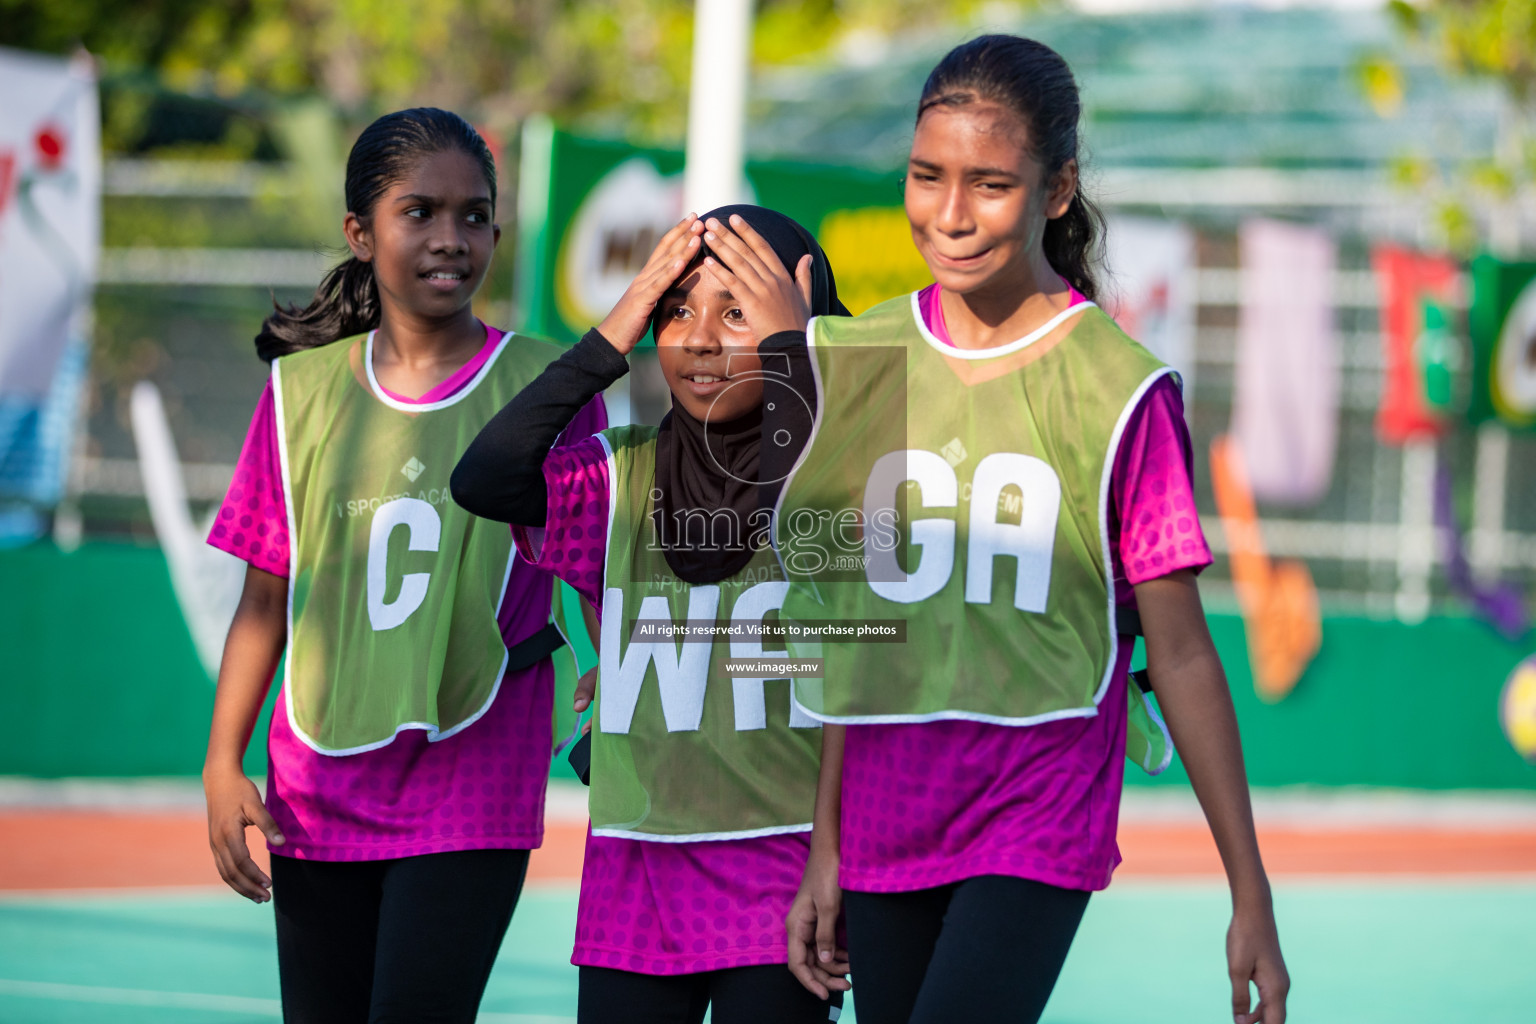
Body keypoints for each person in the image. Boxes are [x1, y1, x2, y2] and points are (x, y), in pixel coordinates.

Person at [777, 35, 1290, 1024]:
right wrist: (825, 843)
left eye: (989, 184)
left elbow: (1178, 652)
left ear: (1057, 191)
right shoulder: (859, 358)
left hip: (1036, 811)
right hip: (886, 811)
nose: (951, 214)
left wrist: (1250, 887)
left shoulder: (1119, 388)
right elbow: (857, 631)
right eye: (927, 177)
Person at [201, 106, 604, 1024]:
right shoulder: (298, 393)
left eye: (474, 216)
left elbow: (602, 569)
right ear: (361, 232)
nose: (450, 239)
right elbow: (265, 601)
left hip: (473, 785)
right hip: (318, 789)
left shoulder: (546, 390)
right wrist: (223, 762)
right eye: (419, 213)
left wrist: (609, 668)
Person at [451, 206, 847, 1024]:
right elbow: (484, 478)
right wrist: (613, 332)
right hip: (637, 878)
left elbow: (868, 679)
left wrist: (798, 356)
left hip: (787, 870)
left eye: (737, 310)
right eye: (676, 310)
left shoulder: (835, 477)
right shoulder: (618, 475)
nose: (699, 338)